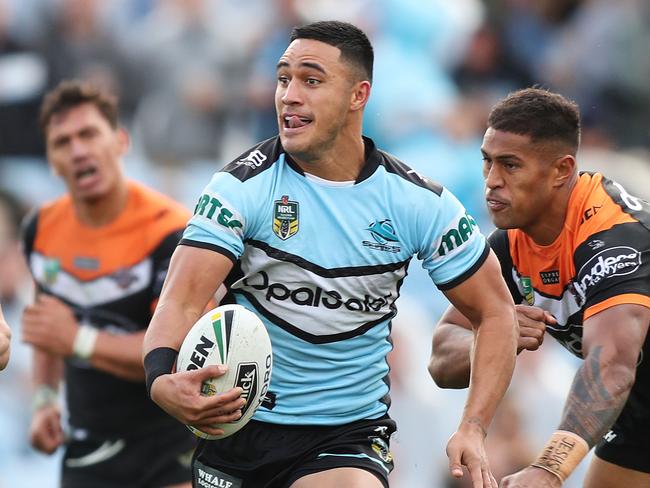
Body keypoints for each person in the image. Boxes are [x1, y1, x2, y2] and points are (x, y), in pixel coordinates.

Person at [143, 20, 518, 488]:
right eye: (283, 79)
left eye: (311, 80)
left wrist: (474, 426)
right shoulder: (240, 188)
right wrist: (161, 381)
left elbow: (496, 312)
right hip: (237, 427)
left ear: (358, 95)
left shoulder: (418, 203)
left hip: (346, 434)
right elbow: (179, 300)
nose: (289, 95)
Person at [428, 88, 650, 487]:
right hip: (639, 409)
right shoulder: (508, 244)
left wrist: (548, 469)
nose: (492, 182)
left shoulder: (616, 239)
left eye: (510, 166)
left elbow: (611, 365)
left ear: (561, 171)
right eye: (488, 162)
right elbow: (443, 356)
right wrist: (495, 333)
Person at [21, 79, 196, 488]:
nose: (79, 150)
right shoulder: (41, 229)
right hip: (88, 447)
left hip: (168, 446)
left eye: (89, 134)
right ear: (51, 161)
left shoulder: (171, 232)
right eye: (62, 142)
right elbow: (47, 328)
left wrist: (78, 340)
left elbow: (176, 357)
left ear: (120, 141)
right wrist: (45, 400)